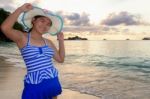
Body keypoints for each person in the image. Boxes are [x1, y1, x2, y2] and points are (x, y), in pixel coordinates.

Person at [1, 3, 65, 99]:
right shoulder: (22, 38)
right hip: (34, 85)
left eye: (48, 24)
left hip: (53, 82)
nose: (45, 25)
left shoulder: (49, 42)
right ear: (33, 20)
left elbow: (60, 59)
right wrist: (20, 9)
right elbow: (5, 28)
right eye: (42, 21)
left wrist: (61, 41)